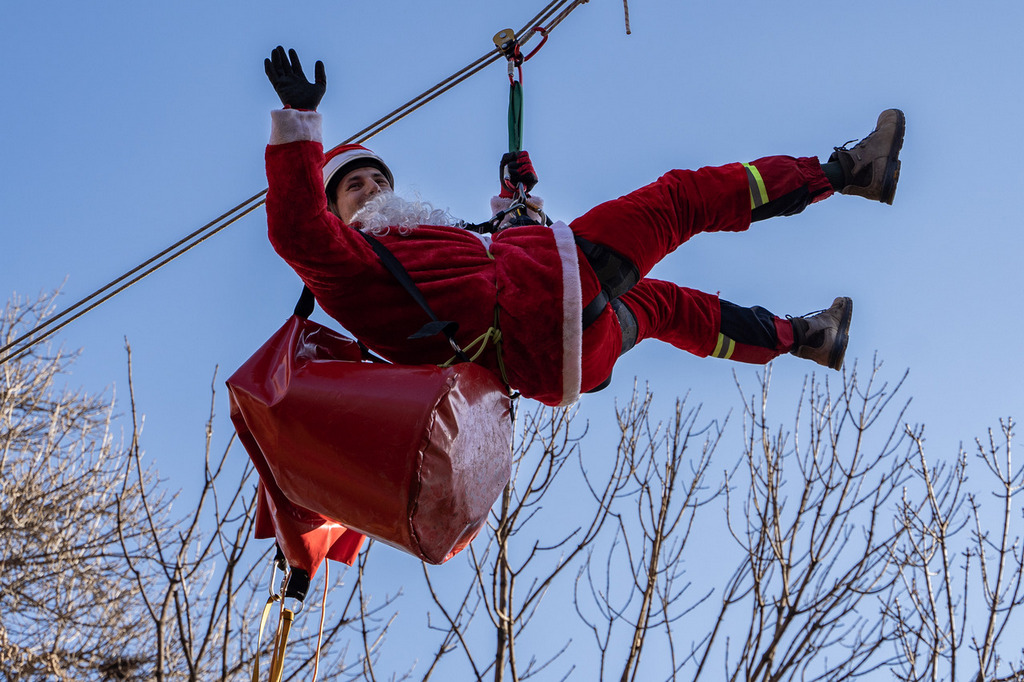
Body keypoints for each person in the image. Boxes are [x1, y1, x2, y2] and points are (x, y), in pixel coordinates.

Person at [263, 47, 905, 407]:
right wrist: (299, 126)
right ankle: (848, 172)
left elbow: (482, 266)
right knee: (680, 200)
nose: (374, 189)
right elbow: (297, 230)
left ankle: (807, 338)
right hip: (541, 306)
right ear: (335, 209)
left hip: (564, 363)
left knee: (662, 306)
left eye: (379, 180)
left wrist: (515, 205)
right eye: (355, 186)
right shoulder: (346, 265)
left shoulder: (418, 254)